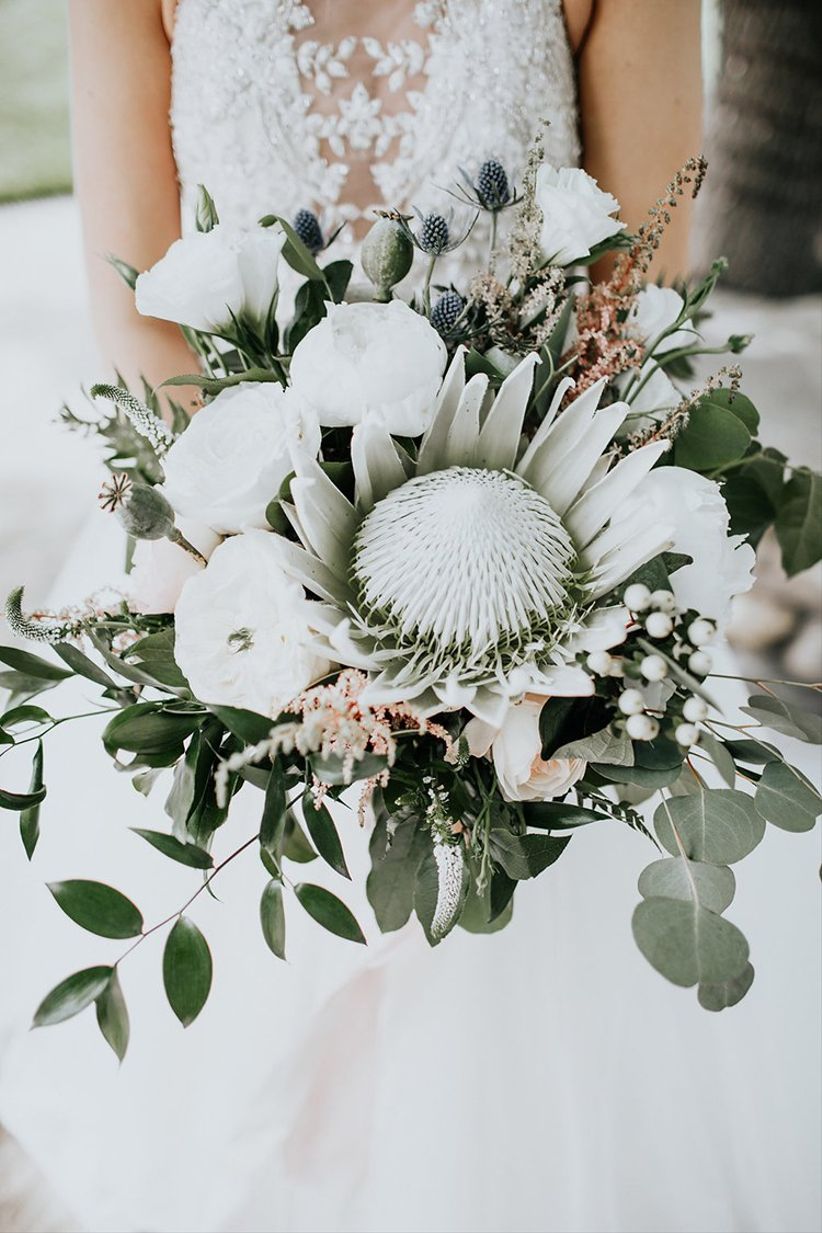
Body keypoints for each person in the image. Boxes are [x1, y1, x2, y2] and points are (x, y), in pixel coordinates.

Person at [0, 4, 818, 1231]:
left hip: (535, 562)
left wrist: (503, 610)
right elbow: (140, 315)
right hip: (230, 551)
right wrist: (286, 595)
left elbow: (636, 289)